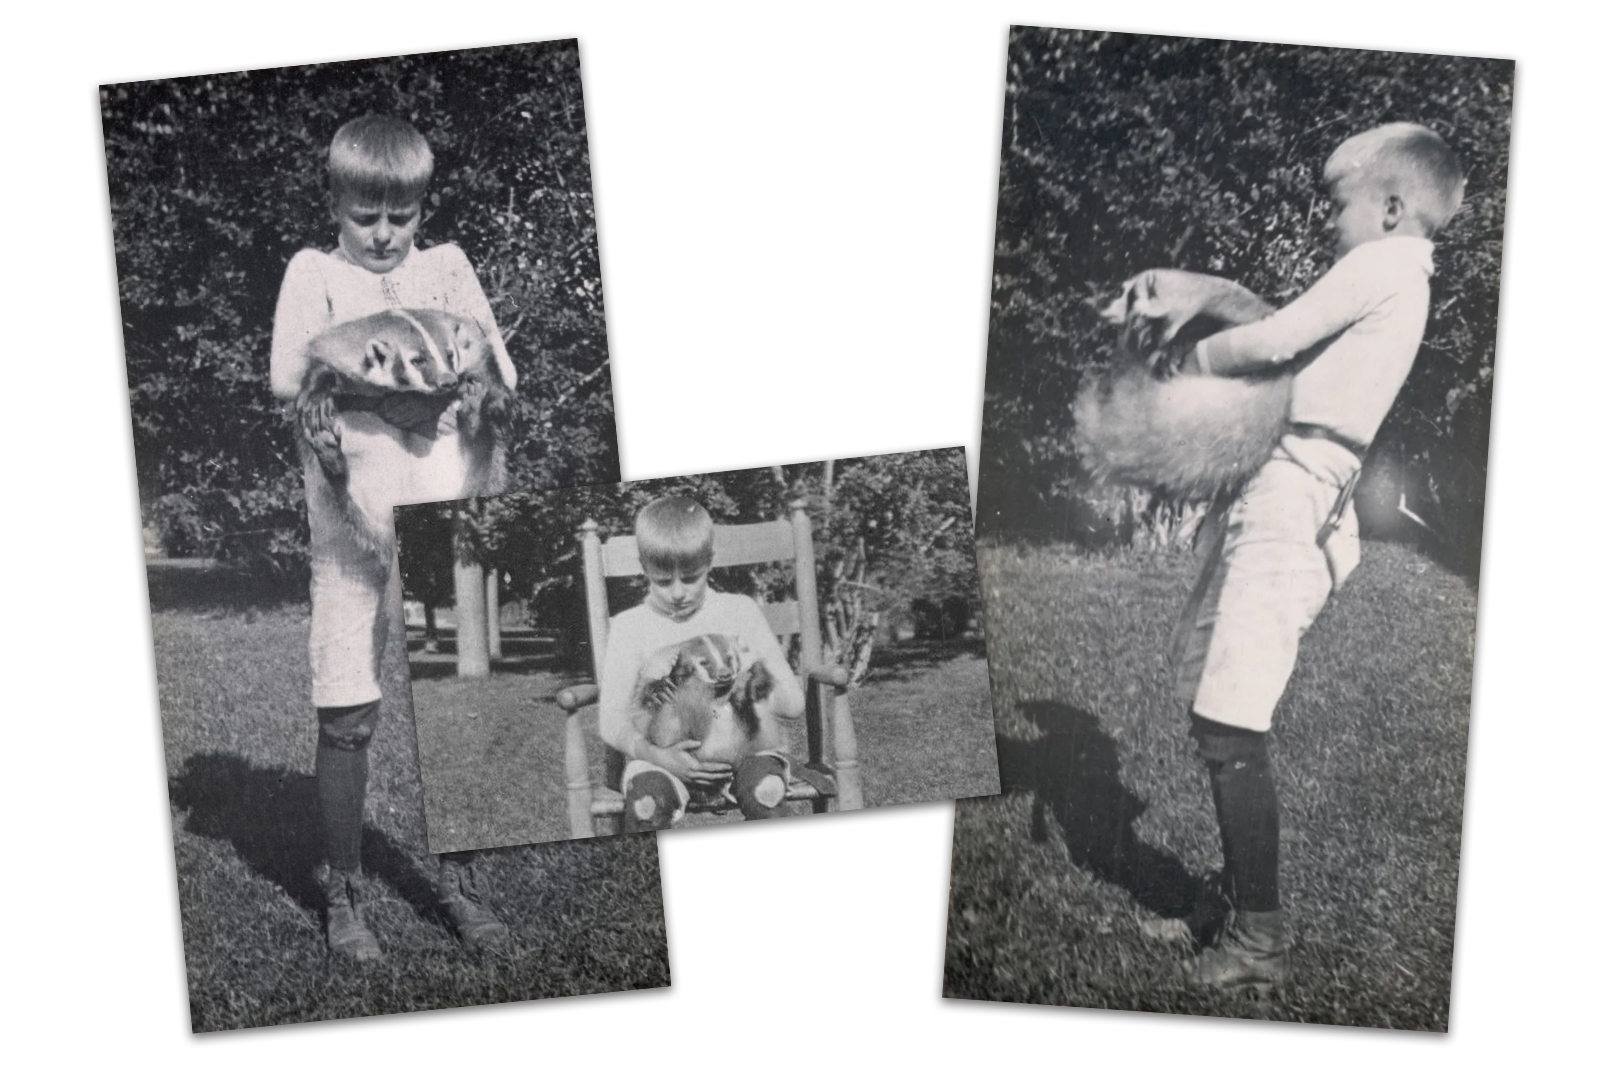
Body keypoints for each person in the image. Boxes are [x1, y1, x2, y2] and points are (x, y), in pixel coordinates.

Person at [1154, 123, 1466, 990]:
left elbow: (1273, 340)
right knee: (1215, 705)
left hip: (1292, 497)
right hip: (1285, 489)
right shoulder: (1401, 277)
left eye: (1339, 205)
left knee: (1230, 719)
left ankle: (1260, 939)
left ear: (1392, 207)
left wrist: (1193, 360)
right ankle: (1235, 905)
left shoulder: (1384, 263)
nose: (1329, 222)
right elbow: (1290, 342)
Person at [269, 114, 519, 960]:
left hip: (440, 507)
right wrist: (404, 392)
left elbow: (497, 367)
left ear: (422, 208)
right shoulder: (313, 273)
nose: (382, 234)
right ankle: (344, 892)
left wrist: (381, 381)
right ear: (332, 202)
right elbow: (287, 374)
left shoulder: (446, 267)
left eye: (400, 216)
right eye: (363, 214)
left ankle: (461, 882)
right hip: (349, 518)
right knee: (347, 704)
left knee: (450, 698)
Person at [598, 497, 806, 831]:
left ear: (711, 560)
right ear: (643, 566)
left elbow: (794, 705)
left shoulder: (740, 611)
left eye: (691, 577)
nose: (677, 593)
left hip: (745, 756)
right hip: (662, 763)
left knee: (765, 789)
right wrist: (654, 755)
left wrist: (751, 677)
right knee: (647, 803)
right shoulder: (629, 626)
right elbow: (611, 720)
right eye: (663, 581)